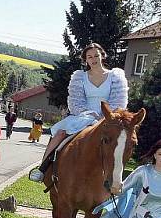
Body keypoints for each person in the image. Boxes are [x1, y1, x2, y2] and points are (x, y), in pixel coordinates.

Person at [29, 43, 128, 182]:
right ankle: (42, 168)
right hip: (83, 115)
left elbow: (119, 102)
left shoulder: (115, 77)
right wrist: (88, 113)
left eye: (96, 55)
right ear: (86, 60)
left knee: (120, 141)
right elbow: (75, 101)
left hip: (107, 118)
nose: (93, 59)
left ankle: (115, 177)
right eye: (89, 57)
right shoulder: (80, 77)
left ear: (102, 56)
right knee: (60, 133)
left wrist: (105, 116)